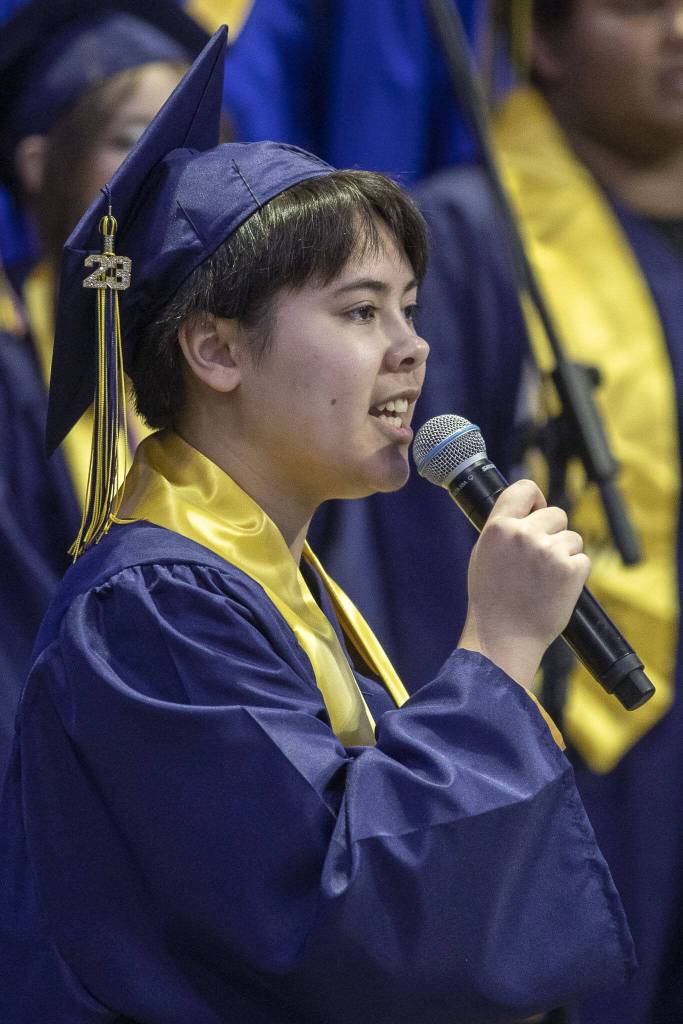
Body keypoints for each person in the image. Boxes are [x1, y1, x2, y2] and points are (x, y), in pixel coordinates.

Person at [0, 26, 636, 1024]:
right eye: (358, 312)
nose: (411, 350)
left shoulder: (263, 580)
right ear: (215, 349)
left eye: (409, 309)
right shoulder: (153, 608)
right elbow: (331, 925)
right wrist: (497, 648)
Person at [311, 2, 683, 1022]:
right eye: (639, 7)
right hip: (566, 751)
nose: (677, 32)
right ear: (545, 44)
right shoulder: (461, 246)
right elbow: (418, 563)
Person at [0, 0, 211, 774]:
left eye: (192, 147)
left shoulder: (229, 356)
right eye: (130, 142)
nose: (167, 174)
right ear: (35, 165)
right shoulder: (12, 372)